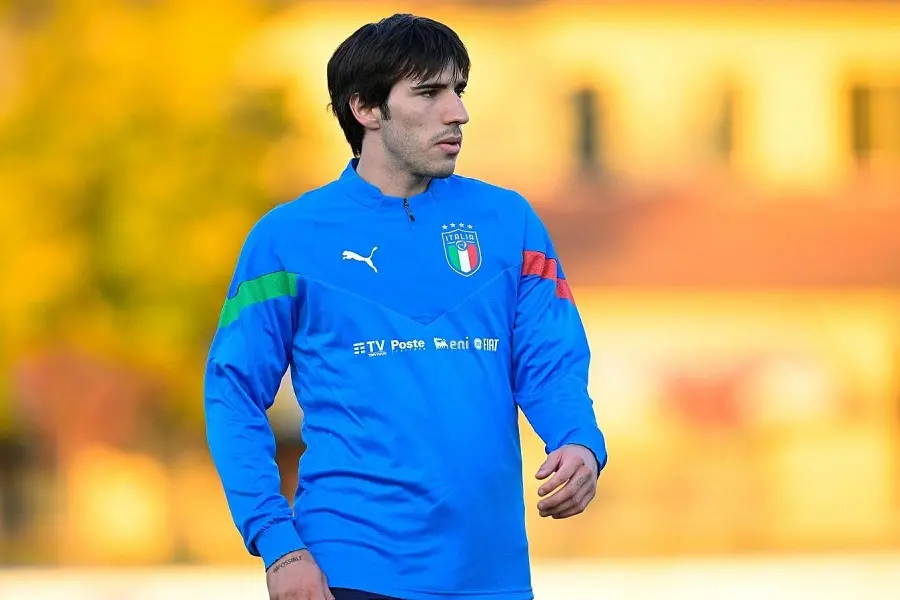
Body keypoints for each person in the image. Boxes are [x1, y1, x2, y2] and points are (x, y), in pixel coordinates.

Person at [204, 13, 608, 600]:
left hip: (492, 577)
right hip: (351, 572)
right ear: (366, 109)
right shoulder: (287, 238)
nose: (458, 112)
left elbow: (548, 360)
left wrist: (577, 440)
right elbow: (232, 392)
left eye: (459, 91)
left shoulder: (508, 221)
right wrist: (276, 541)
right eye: (429, 93)